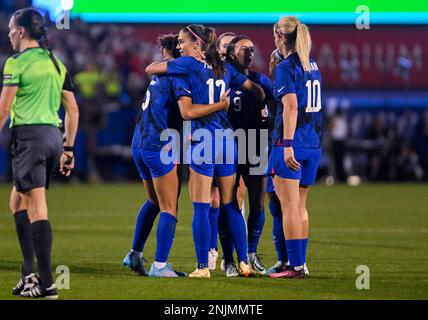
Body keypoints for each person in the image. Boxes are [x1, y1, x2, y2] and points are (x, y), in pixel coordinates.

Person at [146, 24, 265, 277]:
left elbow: (151, 69)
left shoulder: (189, 65)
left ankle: (203, 267)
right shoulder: (225, 68)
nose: (180, 47)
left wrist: (214, 104)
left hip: (203, 141)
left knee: (201, 206)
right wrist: (262, 109)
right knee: (231, 204)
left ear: (198, 44)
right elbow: (255, 90)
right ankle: (244, 262)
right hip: (227, 142)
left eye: (183, 42)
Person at [123, 34, 231, 277]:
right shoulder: (179, 76)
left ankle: (135, 254)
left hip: (139, 144)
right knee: (170, 208)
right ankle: (160, 266)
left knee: (154, 202)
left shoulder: (157, 78)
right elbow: (187, 112)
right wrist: (219, 106)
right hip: (160, 146)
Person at [0, 8, 79, 298]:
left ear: (21, 31)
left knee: (36, 207)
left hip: (30, 138)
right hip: (53, 138)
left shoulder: (16, 62)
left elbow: (4, 109)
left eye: (11, 28)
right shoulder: (55, 62)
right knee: (17, 203)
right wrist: (68, 148)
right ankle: (29, 273)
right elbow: (73, 109)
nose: (8, 33)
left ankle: (46, 284)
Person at [268, 16, 322, 279]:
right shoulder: (312, 64)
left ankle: (295, 266)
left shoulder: (286, 67)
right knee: (300, 206)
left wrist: (287, 144)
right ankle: (301, 263)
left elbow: (290, 106)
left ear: (280, 37)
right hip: (313, 143)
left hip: (291, 143)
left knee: (288, 206)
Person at [222, 35, 275, 275]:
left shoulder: (261, 80)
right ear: (232, 53)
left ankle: (251, 254)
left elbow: (275, 110)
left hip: (254, 144)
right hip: (228, 145)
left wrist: (270, 130)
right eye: (245, 49)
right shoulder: (220, 78)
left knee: (257, 204)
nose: (250, 53)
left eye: (253, 49)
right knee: (227, 201)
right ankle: (229, 259)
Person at [207, 31, 237, 272]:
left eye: (231, 46)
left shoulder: (241, 74)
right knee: (212, 198)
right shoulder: (209, 71)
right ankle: (214, 251)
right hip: (211, 139)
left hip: (242, 141)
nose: (227, 50)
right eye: (224, 46)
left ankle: (243, 255)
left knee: (237, 200)